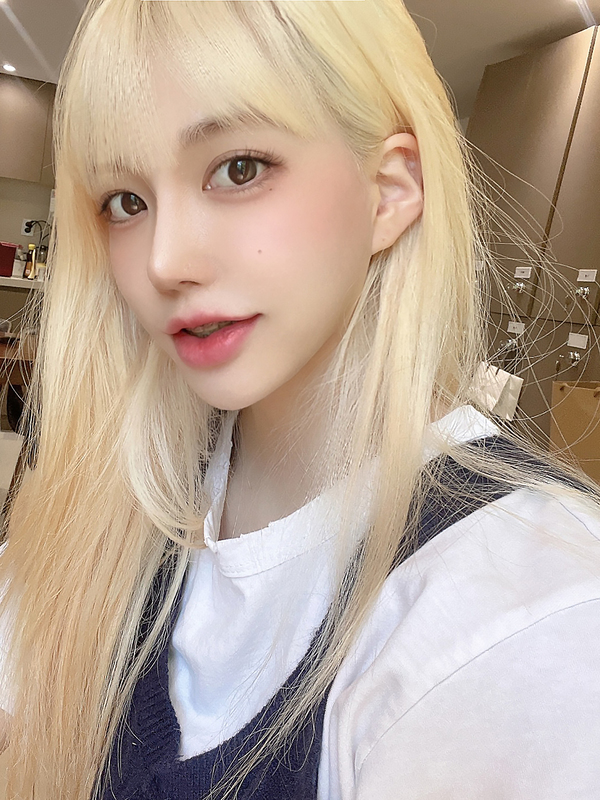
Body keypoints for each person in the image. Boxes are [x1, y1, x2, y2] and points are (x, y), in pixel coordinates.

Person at [1, 0, 600, 797]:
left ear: (389, 190)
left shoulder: (524, 617)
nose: (163, 261)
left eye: (239, 168)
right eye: (126, 203)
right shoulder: (116, 506)